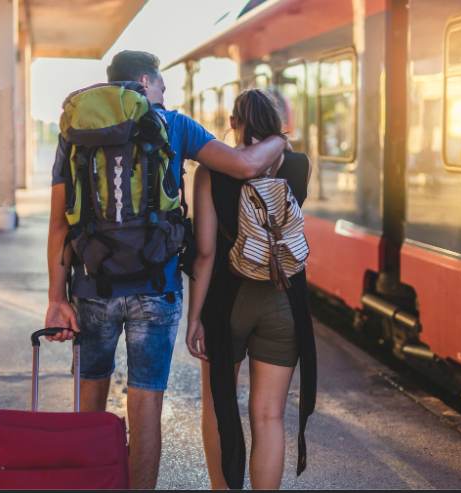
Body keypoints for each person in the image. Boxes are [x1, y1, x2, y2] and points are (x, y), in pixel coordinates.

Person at [44, 51, 288, 490]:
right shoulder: (173, 124)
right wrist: (281, 140)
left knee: (89, 404)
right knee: (145, 406)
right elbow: (246, 165)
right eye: (162, 86)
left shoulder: (75, 130)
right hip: (155, 289)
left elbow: (60, 223)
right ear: (145, 81)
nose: (164, 94)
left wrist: (56, 300)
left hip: (92, 286)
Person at [186, 89, 317, 489]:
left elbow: (205, 253)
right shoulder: (297, 166)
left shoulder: (210, 171)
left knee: (218, 408)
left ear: (233, 122)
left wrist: (195, 318)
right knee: (269, 416)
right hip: (283, 300)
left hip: (228, 303)